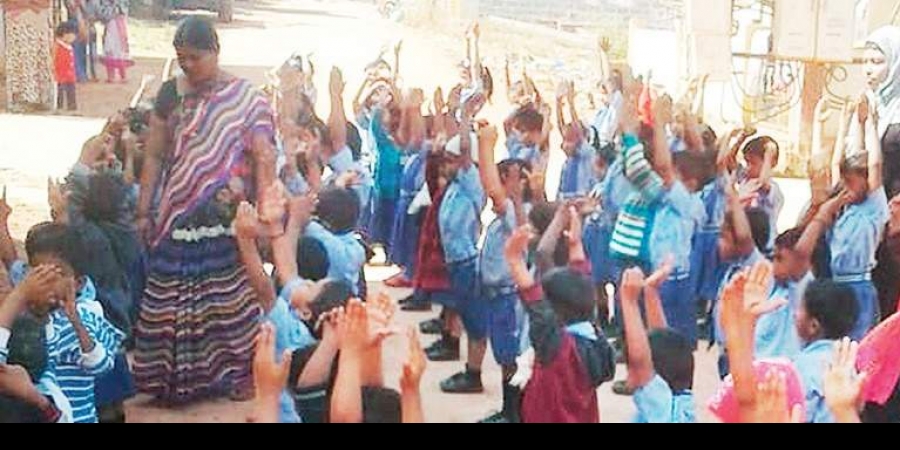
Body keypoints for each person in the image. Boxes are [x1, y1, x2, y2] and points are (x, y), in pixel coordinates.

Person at [133, 17, 277, 404]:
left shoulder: (247, 100)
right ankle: (173, 381)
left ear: (216, 52)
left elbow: (264, 158)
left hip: (227, 218)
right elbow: (155, 154)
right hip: (176, 212)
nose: (188, 67)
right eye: (182, 60)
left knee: (229, 299)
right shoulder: (169, 95)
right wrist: (144, 211)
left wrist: (264, 216)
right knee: (171, 298)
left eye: (195, 58)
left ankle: (243, 372)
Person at [797, 94, 887, 341]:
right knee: (833, 340)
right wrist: (848, 122)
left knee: (855, 343)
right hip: (838, 282)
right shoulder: (844, 209)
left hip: (858, 285)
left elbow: (875, 165)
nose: (845, 186)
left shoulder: (872, 208)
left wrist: (869, 124)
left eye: (851, 182)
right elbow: (839, 163)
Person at [505, 222, 615, 423]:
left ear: (554, 311)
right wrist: (575, 244)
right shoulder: (594, 335)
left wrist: (514, 260)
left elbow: (534, 301)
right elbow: (581, 283)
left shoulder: (558, 346)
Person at [619, 266, 696, 423]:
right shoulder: (676, 402)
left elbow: (640, 361)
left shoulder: (659, 407)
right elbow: (664, 343)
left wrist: (629, 301)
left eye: (630, 368)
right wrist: (650, 293)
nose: (628, 374)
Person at [96, 0, 132, 83]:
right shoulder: (105, 2)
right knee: (109, 50)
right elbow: (102, 14)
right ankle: (111, 76)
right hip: (110, 27)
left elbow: (124, 11)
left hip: (119, 27)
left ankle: (123, 76)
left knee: (120, 51)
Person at [53, 21, 78, 111]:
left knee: (71, 91)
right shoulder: (57, 46)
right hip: (60, 75)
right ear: (65, 34)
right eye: (73, 35)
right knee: (60, 92)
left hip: (69, 75)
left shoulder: (68, 46)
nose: (74, 37)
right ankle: (59, 107)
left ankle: (72, 107)